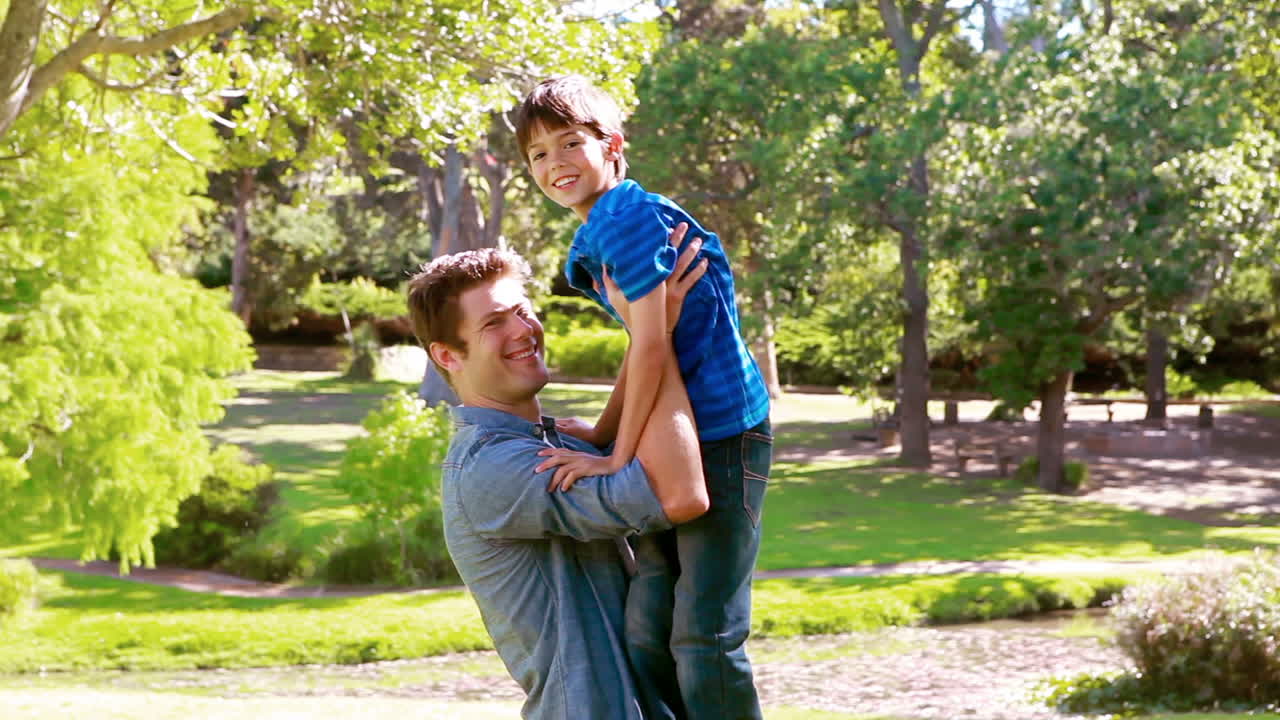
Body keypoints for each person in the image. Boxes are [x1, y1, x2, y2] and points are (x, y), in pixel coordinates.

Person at [514, 75, 773, 720]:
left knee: (705, 636)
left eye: (570, 143)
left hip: (723, 437)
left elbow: (653, 346)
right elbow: (645, 341)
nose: (555, 163)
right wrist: (604, 434)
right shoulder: (601, 228)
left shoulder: (628, 219)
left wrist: (611, 459)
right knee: (647, 629)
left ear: (612, 145)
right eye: (539, 154)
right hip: (676, 435)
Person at [404, 236, 709, 720]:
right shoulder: (492, 468)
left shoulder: (556, 444)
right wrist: (654, 332)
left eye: (522, 311)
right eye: (494, 323)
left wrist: (651, 325)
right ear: (447, 356)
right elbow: (680, 493)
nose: (523, 331)